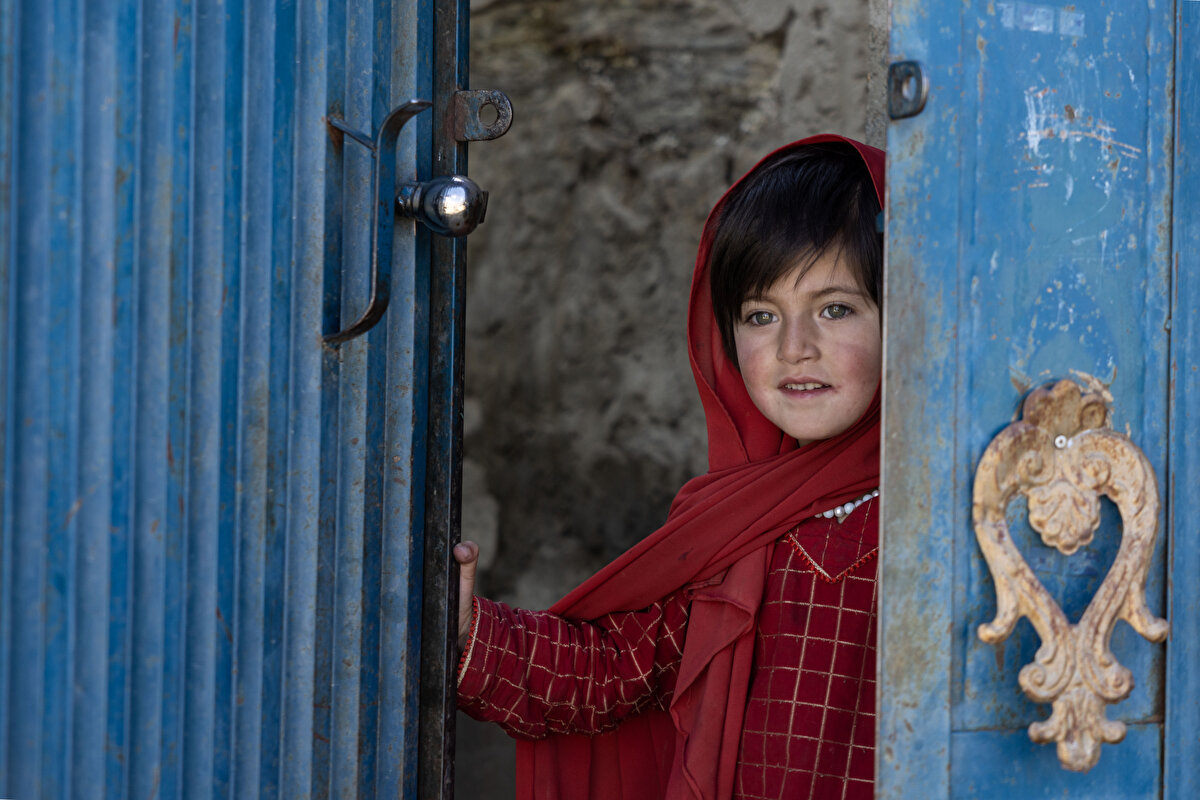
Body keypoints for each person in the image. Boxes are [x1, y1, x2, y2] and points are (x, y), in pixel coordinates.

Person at [454, 134, 884, 800]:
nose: (796, 347)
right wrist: (468, 632)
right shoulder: (734, 524)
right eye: (761, 315)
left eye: (835, 309)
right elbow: (611, 673)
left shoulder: (947, 517)